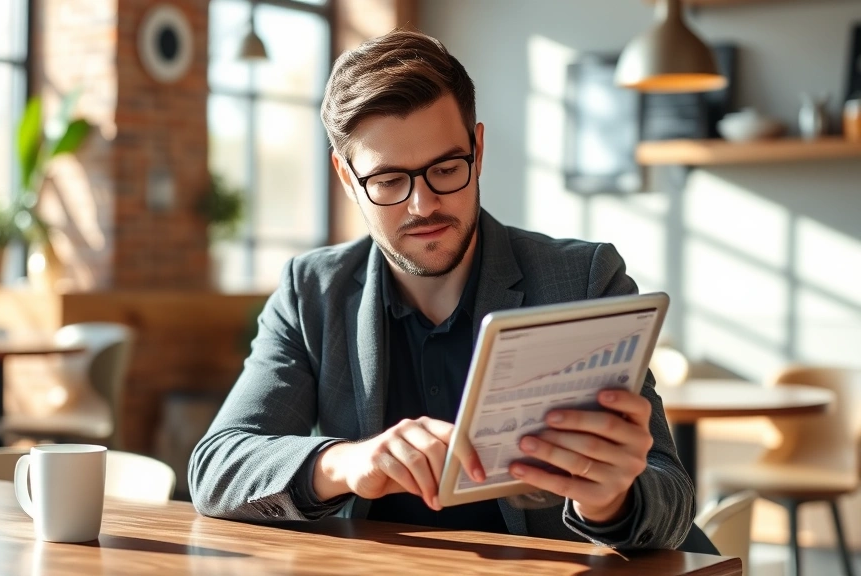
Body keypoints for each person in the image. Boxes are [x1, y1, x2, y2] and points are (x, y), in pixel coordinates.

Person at [189, 29, 696, 550]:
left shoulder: (583, 280)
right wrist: (347, 462)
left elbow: (672, 498)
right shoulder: (313, 292)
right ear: (345, 177)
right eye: (389, 181)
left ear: (479, 149)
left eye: (447, 169)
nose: (423, 205)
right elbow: (217, 467)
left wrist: (610, 500)